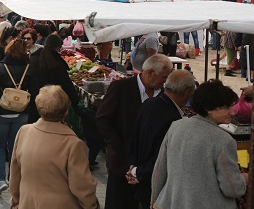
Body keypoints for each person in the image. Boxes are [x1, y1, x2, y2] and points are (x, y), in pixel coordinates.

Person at [151, 80, 247, 208]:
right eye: (226, 107)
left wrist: (154, 201)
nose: (233, 112)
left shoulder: (176, 126)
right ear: (208, 108)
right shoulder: (224, 140)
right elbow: (233, 189)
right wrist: (245, 178)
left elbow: (159, 171)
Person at [95, 53, 172, 209]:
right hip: (121, 164)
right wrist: (118, 145)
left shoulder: (163, 95)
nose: (165, 81)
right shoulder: (121, 88)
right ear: (150, 73)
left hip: (148, 167)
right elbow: (102, 119)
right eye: (164, 77)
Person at [9, 85, 99, 209]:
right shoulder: (73, 144)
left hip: (28, 203)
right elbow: (82, 186)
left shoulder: (24, 132)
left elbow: (15, 174)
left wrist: (16, 201)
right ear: (66, 112)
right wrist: (92, 206)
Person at [128, 69, 196, 208]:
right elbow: (162, 158)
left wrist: (133, 166)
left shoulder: (149, 103)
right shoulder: (172, 118)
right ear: (187, 92)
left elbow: (134, 138)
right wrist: (137, 172)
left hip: (142, 181)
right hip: (155, 190)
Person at [0, 37, 35, 197]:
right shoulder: (29, 67)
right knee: (15, 147)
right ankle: (14, 179)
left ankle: (1, 180)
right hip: (22, 112)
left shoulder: (0, 67)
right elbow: (34, 90)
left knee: (0, 146)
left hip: (2, 112)